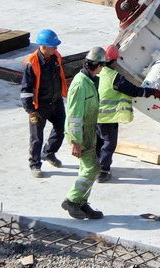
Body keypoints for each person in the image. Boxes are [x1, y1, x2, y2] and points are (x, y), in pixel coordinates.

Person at [95, 44, 160, 182]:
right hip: (108, 118)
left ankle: (95, 166)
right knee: (108, 144)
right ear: (114, 61)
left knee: (98, 142)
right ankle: (103, 171)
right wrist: (152, 92)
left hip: (95, 116)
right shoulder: (115, 77)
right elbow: (134, 91)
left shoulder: (97, 73)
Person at [61, 47, 106, 220]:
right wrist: (75, 142)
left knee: (86, 170)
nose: (103, 68)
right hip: (81, 135)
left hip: (89, 132)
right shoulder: (80, 84)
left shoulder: (91, 80)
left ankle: (81, 202)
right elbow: (74, 115)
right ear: (96, 64)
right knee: (92, 169)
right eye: (102, 65)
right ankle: (72, 200)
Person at [20, 29, 67, 178]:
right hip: (39, 106)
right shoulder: (31, 63)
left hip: (56, 101)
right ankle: (35, 164)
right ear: (44, 46)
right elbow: (26, 89)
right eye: (54, 46)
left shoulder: (55, 57)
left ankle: (48, 153)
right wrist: (30, 110)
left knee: (61, 129)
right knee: (36, 137)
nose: (56, 49)